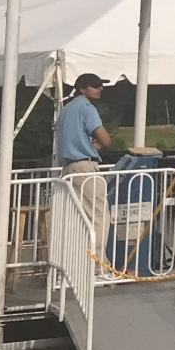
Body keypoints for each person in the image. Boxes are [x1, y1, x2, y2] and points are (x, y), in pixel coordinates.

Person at [55, 73, 112, 249]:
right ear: (82, 89)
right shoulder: (88, 108)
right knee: (98, 215)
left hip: (68, 169)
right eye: (95, 85)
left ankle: (78, 257)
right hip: (85, 168)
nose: (100, 88)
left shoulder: (66, 110)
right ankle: (97, 260)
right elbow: (105, 139)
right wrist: (97, 144)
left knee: (77, 217)